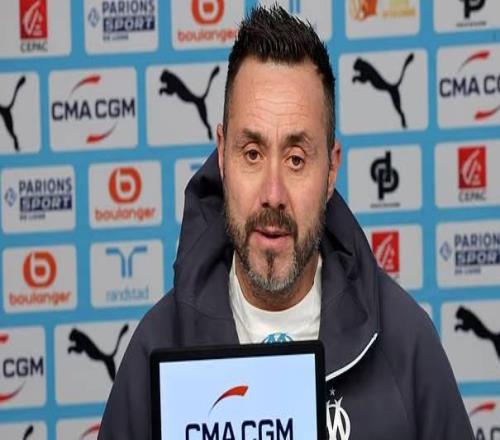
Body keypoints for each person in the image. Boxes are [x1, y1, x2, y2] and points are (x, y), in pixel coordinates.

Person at [98, 6, 474, 439]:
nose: (273, 193)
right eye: (252, 154)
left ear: (331, 170)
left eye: (296, 159)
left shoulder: (405, 344)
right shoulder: (156, 348)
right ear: (222, 157)